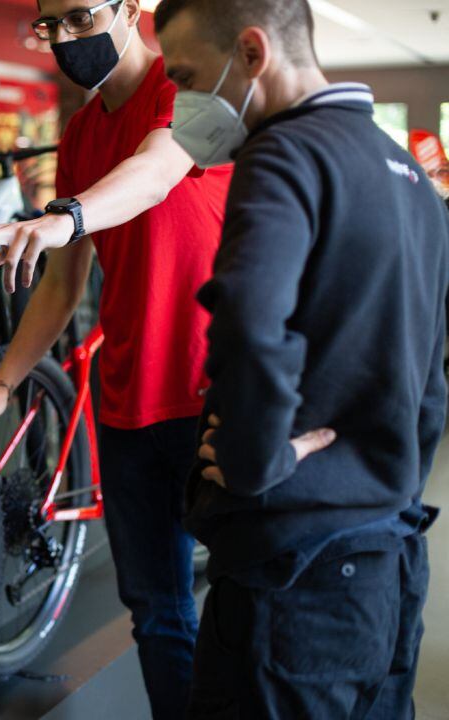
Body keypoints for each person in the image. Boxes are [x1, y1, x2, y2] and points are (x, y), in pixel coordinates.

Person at [153, 0, 449, 716]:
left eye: (188, 75)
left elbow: (250, 324)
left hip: (298, 569)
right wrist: (385, 475)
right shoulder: (408, 174)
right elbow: (431, 375)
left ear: (252, 52)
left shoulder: (285, 153)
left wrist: (256, 462)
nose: (184, 101)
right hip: (390, 559)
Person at [0, 1, 231, 716]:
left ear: (130, 7)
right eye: (53, 26)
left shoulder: (190, 87)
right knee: (159, 610)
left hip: (216, 394)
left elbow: (156, 172)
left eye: (81, 17)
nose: (66, 40)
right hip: (127, 402)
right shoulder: (79, 135)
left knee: (245, 605)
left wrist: (64, 215)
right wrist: (5, 382)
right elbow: (63, 281)